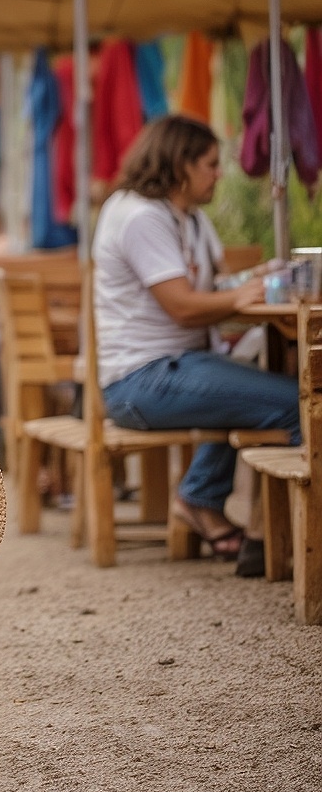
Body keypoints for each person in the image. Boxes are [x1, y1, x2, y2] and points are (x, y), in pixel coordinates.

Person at [93, 114, 299, 568]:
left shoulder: (190, 218)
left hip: (182, 366)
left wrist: (254, 279)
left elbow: (212, 284)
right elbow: (184, 305)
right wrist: (242, 295)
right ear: (180, 164)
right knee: (295, 402)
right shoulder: (138, 215)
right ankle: (280, 542)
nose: (219, 174)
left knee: (265, 388)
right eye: (210, 164)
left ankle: (208, 499)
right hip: (140, 382)